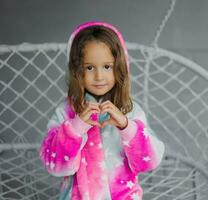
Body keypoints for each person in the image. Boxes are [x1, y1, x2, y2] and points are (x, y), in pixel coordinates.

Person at [39, 21, 165, 200]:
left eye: (107, 66)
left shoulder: (130, 111)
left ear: (119, 67)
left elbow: (149, 162)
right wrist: (75, 128)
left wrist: (126, 126)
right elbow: (54, 165)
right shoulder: (66, 112)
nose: (99, 76)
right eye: (89, 67)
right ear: (76, 70)